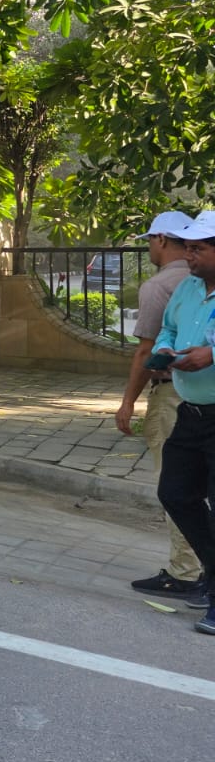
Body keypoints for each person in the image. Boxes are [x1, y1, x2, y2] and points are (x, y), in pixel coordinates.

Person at [115, 211, 201, 597]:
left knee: (176, 487)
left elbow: (145, 352)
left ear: (162, 240)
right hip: (202, 396)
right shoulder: (196, 283)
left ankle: (187, 573)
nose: (149, 247)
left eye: (150, 240)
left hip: (173, 394)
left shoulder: (160, 286)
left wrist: (127, 403)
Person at [150, 211, 215, 633]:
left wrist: (212, 355)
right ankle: (212, 571)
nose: (189, 256)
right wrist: (165, 351)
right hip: (191, 413)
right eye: (188, 248)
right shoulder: (188, 288)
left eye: (198, 249)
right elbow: (168, 329)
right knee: (174, 493)